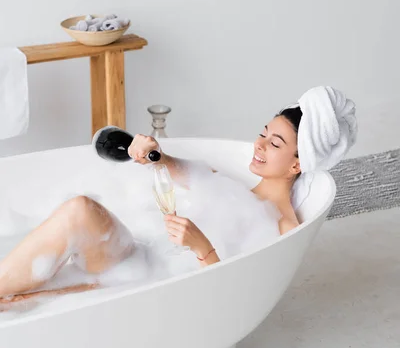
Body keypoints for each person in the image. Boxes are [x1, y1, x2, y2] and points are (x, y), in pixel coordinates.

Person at [0, 86, 357, 305]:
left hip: (163, 292)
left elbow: (234, 297)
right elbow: (169, 165)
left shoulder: (283, 227)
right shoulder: (227, 185)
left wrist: (203, 247)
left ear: (297, 165)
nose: (259, 144)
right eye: (263, 133)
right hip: (140, 265)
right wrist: (149, 150)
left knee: (80, 211)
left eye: (275, 143)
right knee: (79, 211)